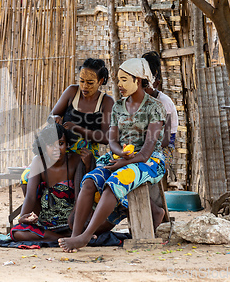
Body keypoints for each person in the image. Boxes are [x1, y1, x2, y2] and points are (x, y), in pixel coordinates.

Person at [58, 58, 166, 252]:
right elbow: (112, 140)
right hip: (122, 157)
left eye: (124, 80)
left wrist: (124, 162)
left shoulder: (155, 108)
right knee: (90, 180)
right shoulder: (118, 107)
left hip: (149, 161)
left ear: (138, 80)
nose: (119, 84)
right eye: (118, 80)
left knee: (115, 182)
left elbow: (147, 150)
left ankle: (85, 236)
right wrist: (120, 154)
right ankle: (75, 236)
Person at [21, 58, 114, 194]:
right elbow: (51, 116)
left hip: (85, 155)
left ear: (100, 81)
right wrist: (55, 118)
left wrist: (77, 128)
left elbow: (105, 138)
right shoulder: (72, 92)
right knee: (26, 178)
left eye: (90, 83)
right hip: (60, 152)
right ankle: (37, 213)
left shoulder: (106, 101)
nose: (84, 86)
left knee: (83, 184)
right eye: (81, 81)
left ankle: (74, 213)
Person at [10, 123, 91, 242]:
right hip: (47, 220)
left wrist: (74, 220)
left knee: (96, 225)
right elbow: (31, 196)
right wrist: (23, 217)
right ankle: (62, 239)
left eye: (61, 143)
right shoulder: (39, 162)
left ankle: (69, 237)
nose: (56, 149)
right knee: (17, 232)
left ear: (67, 143)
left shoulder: (75, 160)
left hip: (72, 219)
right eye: (50, 145)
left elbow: (80, 196)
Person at [142, 51, 178, 184]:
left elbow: (165, 140)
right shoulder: (139, 101)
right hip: (145, 146)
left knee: (143, 167)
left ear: (156, 83)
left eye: (146, 86)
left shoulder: (164, 103)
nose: (142, 89)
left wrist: (143, 149)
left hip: (163, 150)